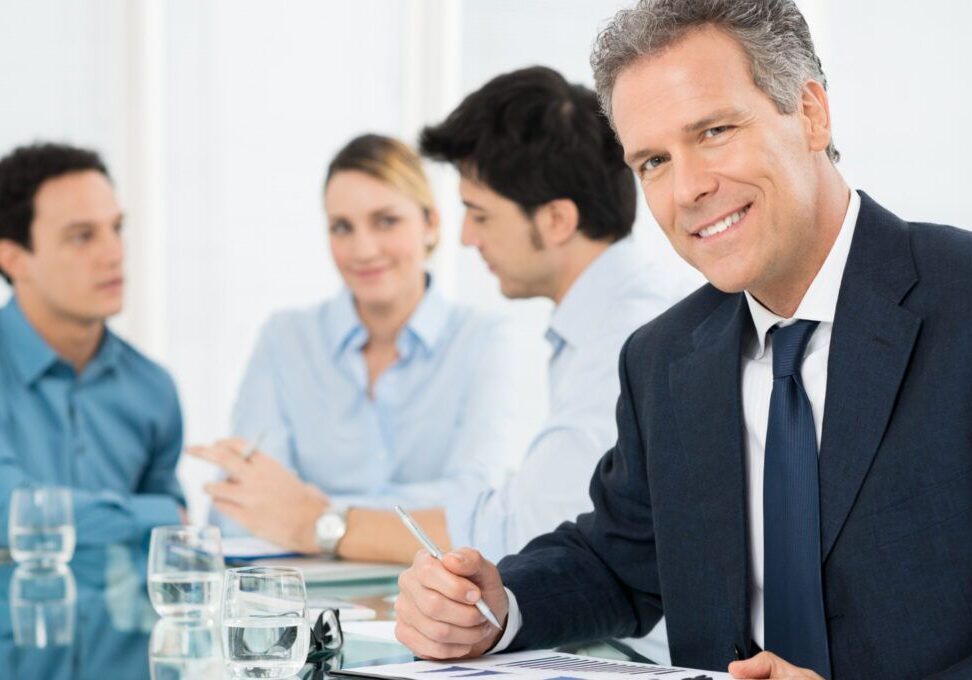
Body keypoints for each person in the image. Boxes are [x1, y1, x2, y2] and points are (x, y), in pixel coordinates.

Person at [392, 2, 972, 679]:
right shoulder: (664, 358)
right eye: (654, 161)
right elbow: (620, 558)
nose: (690, 188)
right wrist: (494, 609)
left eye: (716, 131)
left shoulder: (959, 303)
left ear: (811, 114)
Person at [330, 68, 683, 588]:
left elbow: (527, 530)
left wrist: (325, 526)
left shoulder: (630, 339)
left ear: (557, 221)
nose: (468, 237)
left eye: (480, 214)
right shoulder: (601, 322)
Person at [191, 134, 524, 554]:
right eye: (342, 227)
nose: (363, 249)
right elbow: (241, 505)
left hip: (430, 597)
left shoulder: (484, 339)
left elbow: (479, 502)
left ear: (431, 224)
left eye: (386, 221)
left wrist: (310, 516)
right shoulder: (285, 339)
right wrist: (367, 522)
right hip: (298, 593)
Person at [0, 142, 186, 546]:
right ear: (14, 258)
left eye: (116, 229)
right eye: (82, 236)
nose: (114, 253)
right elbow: (10, 513)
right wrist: (157, 514)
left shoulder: (153, 389)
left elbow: (169, 551)